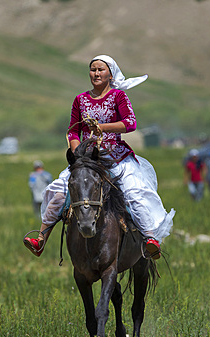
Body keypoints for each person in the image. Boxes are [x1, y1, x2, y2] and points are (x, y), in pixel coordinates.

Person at [24, 54, 175, 259]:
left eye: (100, 69)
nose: (96, 73)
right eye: (92, 69)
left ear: (110, 74)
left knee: (133, 192)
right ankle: (41, 238)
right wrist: (78, 153)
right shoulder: (80, 99)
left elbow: (130, 123)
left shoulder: (118, 97)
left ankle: (149, 239)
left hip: (115, 156)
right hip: (86, 158)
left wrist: (101, 128)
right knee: (59, 191)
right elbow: (73, 131)